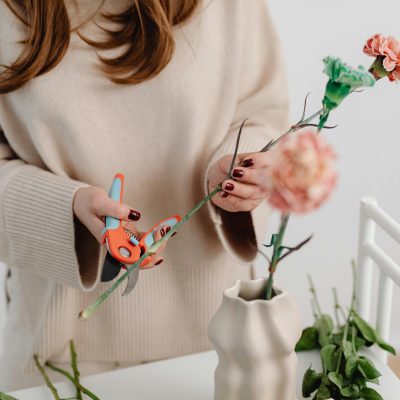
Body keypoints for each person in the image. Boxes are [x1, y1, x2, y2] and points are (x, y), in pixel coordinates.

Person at [0, 0, 288, 391]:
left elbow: (263, 112)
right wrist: (65, 207)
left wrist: (241, 167)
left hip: (218, 338)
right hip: (59, 348)